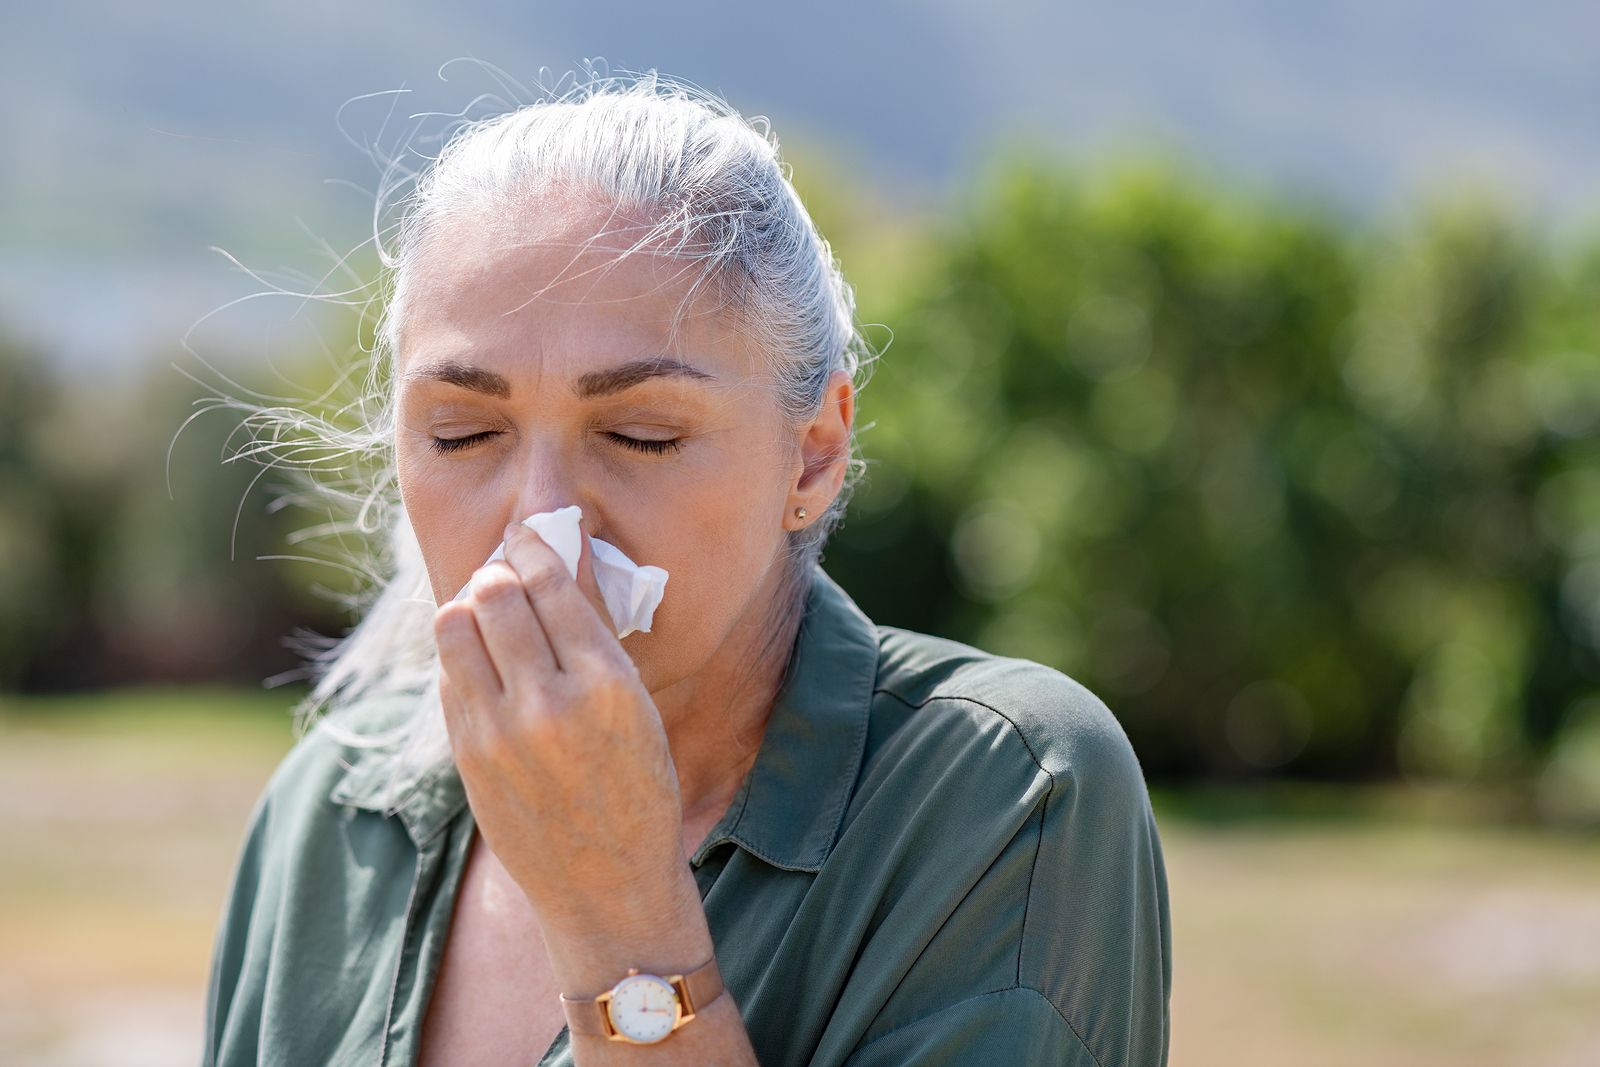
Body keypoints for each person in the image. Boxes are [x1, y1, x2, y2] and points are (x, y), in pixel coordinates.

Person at [201, 68, 1171, 1067]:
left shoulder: (1001, 791)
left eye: (640, 432)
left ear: (814, 454)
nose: (541, 523)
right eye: (461, 433)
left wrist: (619, 917)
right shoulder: (337, 800)